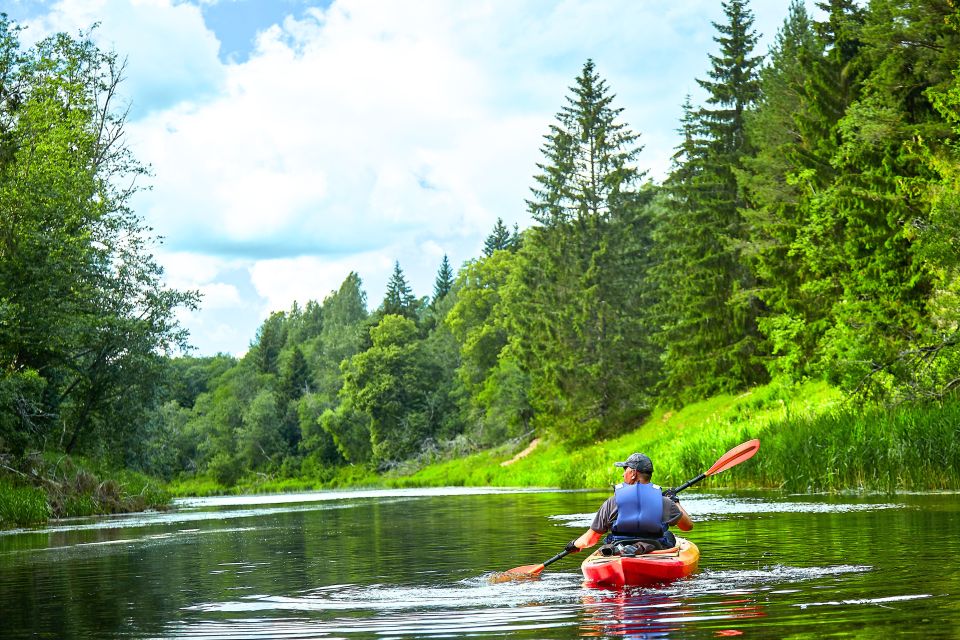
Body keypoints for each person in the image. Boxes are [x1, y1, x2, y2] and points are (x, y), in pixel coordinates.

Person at [564, 452, 693, 556]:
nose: (622, 473)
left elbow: (589, 540)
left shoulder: (612, 502)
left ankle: (628, 550)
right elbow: (687, 526)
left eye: (625, 469)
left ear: (633, 473)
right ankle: (639, 548)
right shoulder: (664, 501)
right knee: (668, 535)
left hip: (619, 548)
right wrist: (675, 501)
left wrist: (574, 544)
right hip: (655, 548)